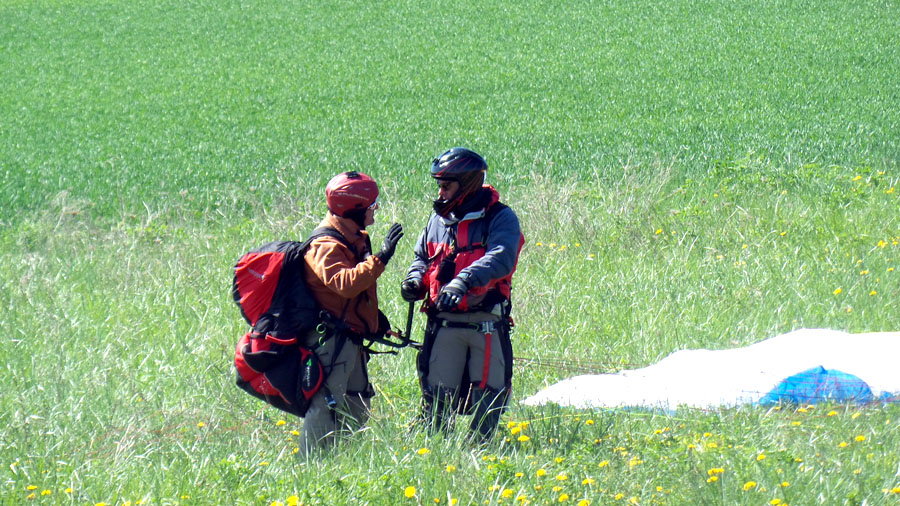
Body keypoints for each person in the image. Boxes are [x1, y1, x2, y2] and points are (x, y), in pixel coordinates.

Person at [401, 147, 524, 442]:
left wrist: (462, 282)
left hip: (485, 324)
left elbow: (502, 257)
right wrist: (414, 280)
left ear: (467, 184)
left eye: (447, 186)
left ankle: (480, 454)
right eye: (439, 186)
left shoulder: (500, 218)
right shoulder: (437, 221)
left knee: (490, 396)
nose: (440, 193)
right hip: (443, 324)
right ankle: (434, 453)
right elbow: (422, 258)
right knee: (436, 396)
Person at [299, 171, 403, 453]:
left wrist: (373, 321)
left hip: (350, 339)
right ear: (354, 209)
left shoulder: (355, 237)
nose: (375, 209)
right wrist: (381, 258)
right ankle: (313, 465)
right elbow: (345, 284)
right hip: (330, 342)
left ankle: (349, 458)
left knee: (358, 403)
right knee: (325, 404)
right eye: (371, 204)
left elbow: (358, 293)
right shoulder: (325, 246)